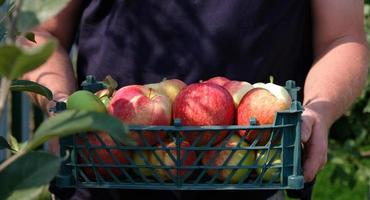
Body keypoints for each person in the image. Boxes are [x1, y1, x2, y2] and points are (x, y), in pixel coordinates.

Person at [21, 0, 369, 199]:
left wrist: (319, 110)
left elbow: (342, 36)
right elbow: (41, 31)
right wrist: (59, 103)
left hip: (252, 176)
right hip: (101, 176)